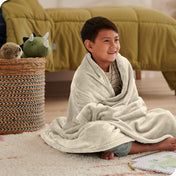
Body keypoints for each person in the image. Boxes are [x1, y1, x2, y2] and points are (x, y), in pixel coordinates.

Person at [41, 16, 176, 160]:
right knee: (101, 133)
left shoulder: (123, 64)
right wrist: (114, 117)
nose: (114, 46)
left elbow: (133, 100)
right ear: (90, 45)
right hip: (99, 123)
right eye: (107, 41)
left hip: (128, 117)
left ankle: (118, 145)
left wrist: (125, 116)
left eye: (116, 40)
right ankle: (154, 145)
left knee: (166, 118)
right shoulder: (83, 76)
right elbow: (86, 114)